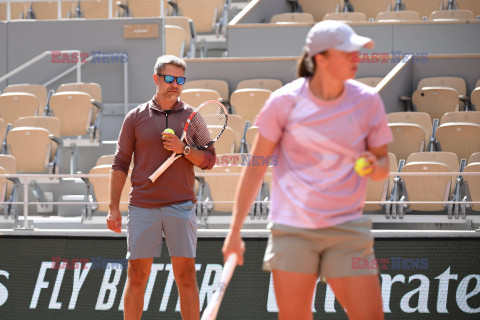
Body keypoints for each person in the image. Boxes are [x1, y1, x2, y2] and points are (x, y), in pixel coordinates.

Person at [222, 21, 393, 320]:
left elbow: (382, 166)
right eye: (348, 52)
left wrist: (371, 166)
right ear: (321, 58)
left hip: (348, 230)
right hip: (292, 231)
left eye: (357, 52)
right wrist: (234, 232)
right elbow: (256, 168)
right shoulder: (283, 102)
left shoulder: (368, 101)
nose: (357, 58)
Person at [108, 55, 215, 320]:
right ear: (156, 79)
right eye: (169, 78)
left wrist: (185, 149)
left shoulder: (193, 117)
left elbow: (210, 160)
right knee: (136, 277)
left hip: (181, 207)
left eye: (180, 80)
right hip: (143, 207)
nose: (175, 85)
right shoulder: (135, 117)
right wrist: (113, 208)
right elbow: (120, 163)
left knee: (187, 278)